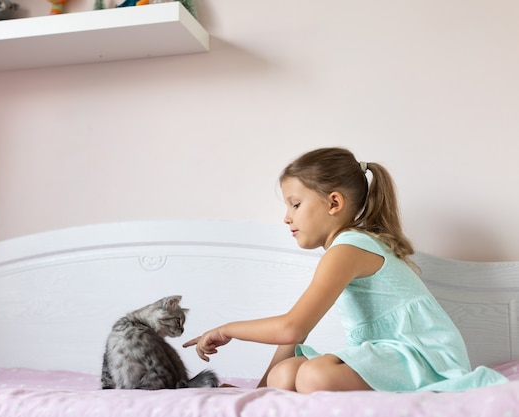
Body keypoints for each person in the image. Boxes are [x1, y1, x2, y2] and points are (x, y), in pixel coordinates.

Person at [183, 147, 507, 393]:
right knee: (285, 374)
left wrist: (226, 329)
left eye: (295, 204)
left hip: (425, 359)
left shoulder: (349, 248)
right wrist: (260, 392)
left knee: (313, 375)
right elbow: (299, 330)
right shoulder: (344, 249)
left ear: (333, 203)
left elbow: (290, 329)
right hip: (387, 356)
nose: (286, 217)